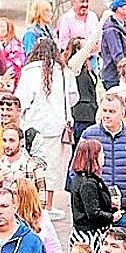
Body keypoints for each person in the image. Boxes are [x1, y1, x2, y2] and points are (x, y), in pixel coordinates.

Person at [15, 37, 78, 216]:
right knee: (54, 168)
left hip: (34, 127)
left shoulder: (29, 72)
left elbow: (21, 100)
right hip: (59, 127)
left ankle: (35, 204)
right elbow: (74, 98)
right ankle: (48, 205)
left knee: (34, 166)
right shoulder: (65, 73)